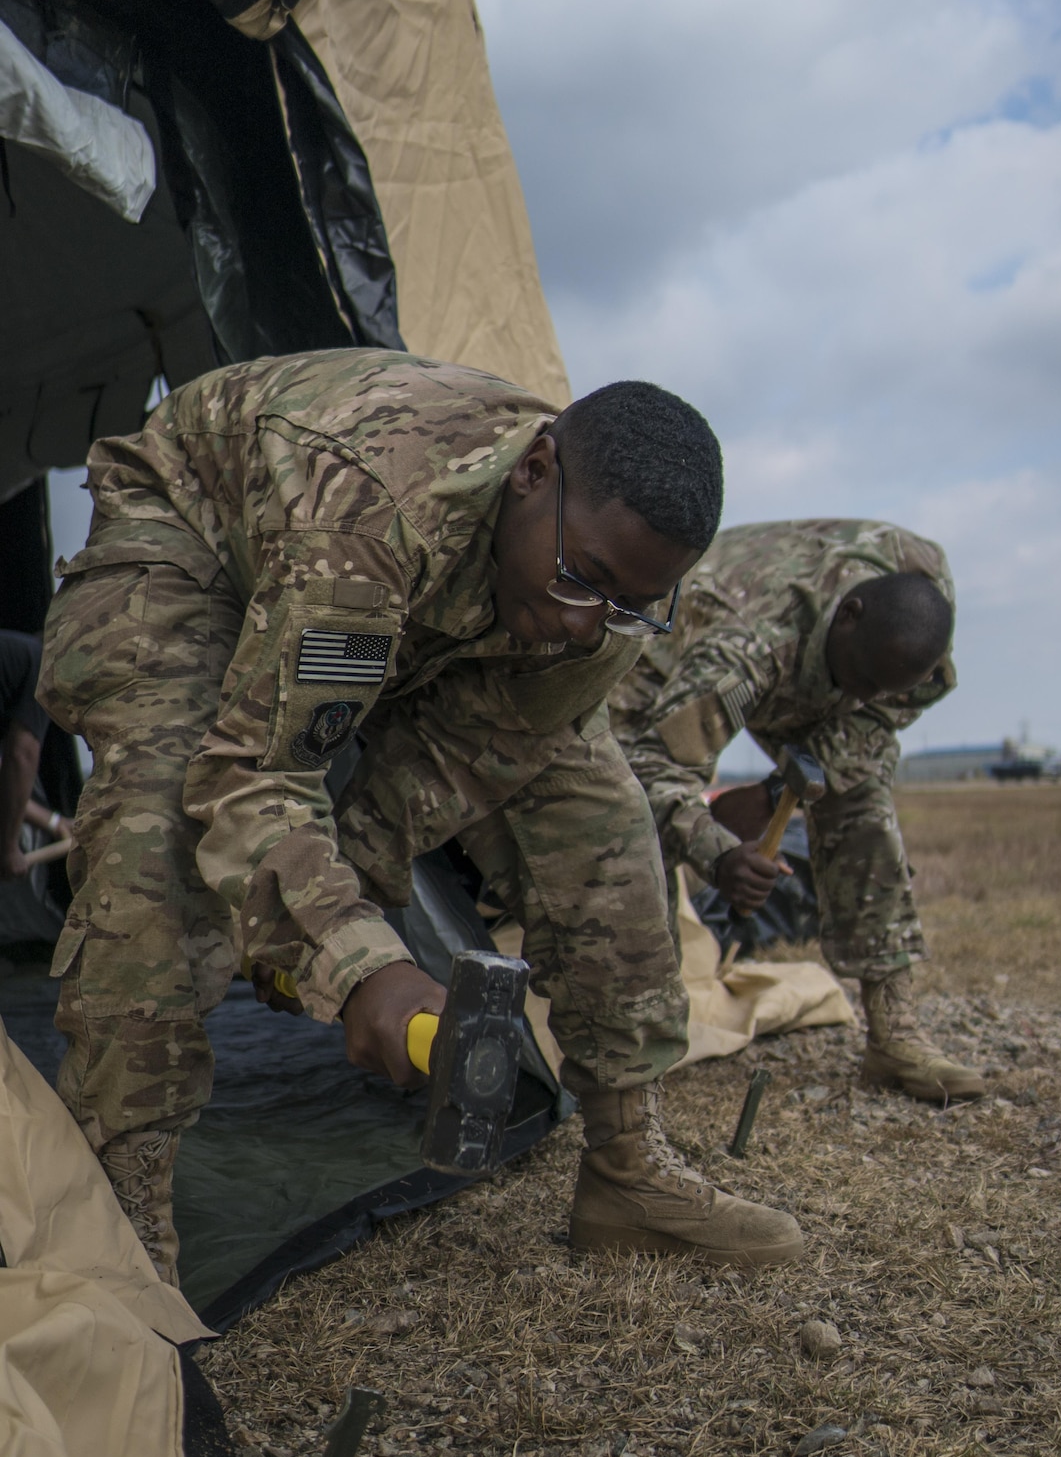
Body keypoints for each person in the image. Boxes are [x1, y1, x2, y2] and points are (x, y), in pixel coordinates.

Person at [37, 353, 803, 1281]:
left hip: (415, 586)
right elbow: (255, 773)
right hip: (192, 535)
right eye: (583, 579)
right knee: (160, 821)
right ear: (534, 471)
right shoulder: (371, 506)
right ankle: (120, 1214)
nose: (584, 625)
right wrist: (358, 962)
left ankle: (627, 1166)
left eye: (629, 605)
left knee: (599, 816)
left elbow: (465, 757)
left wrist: (335, 916)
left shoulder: (605, 598)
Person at [608, 519, 987, 1103]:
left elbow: (877, 716)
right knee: (621, 814)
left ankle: (896, 1036)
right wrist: (719, 852)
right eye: (860, 681)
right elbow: (654, 770)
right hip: (670, 641)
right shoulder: (746, 648)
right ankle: (636, 1036)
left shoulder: (919, 584)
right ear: (850, 615)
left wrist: (774, 795)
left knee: (861, 801)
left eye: (881, 690)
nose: (861, 700)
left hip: (813, 650)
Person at [0, 629, 52, 879]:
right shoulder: (43, 665)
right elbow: (22, 756)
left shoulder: (15, 658)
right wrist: (8, 850)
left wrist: (52, 822)